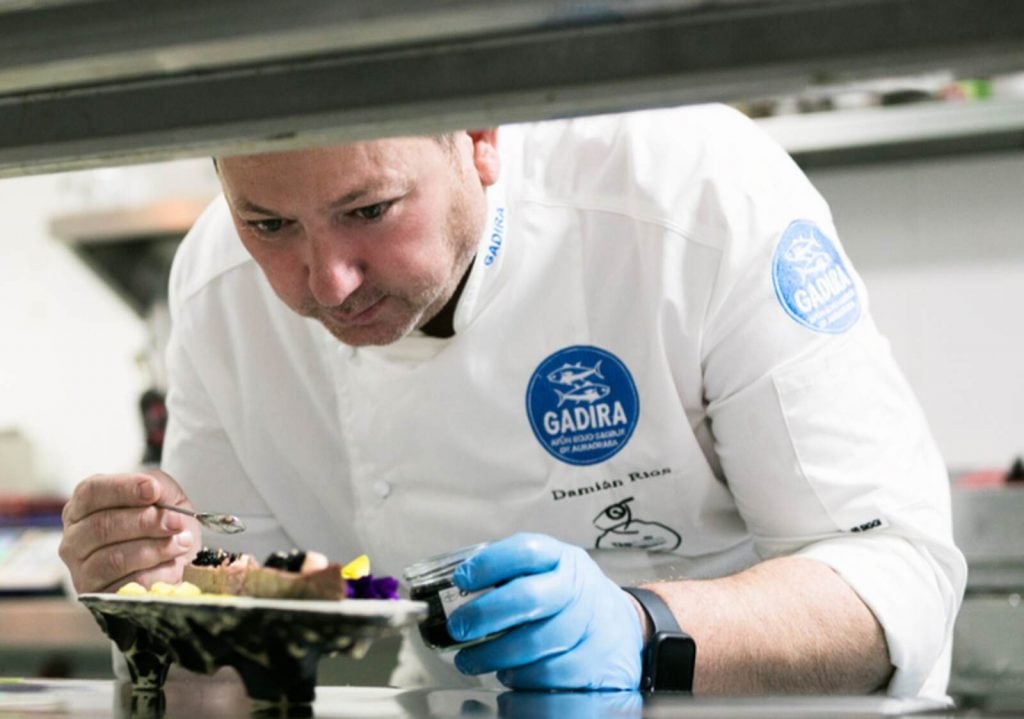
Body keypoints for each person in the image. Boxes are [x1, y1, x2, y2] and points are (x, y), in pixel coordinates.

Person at [59, 104, 965, 699]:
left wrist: (644, 626)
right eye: (270, 224)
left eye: (370, 210)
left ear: (481, 138)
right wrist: (146, 587)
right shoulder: (216, 284)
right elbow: (234, 626)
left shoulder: (695, 193)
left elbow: (897, 578)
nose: (327, 282)